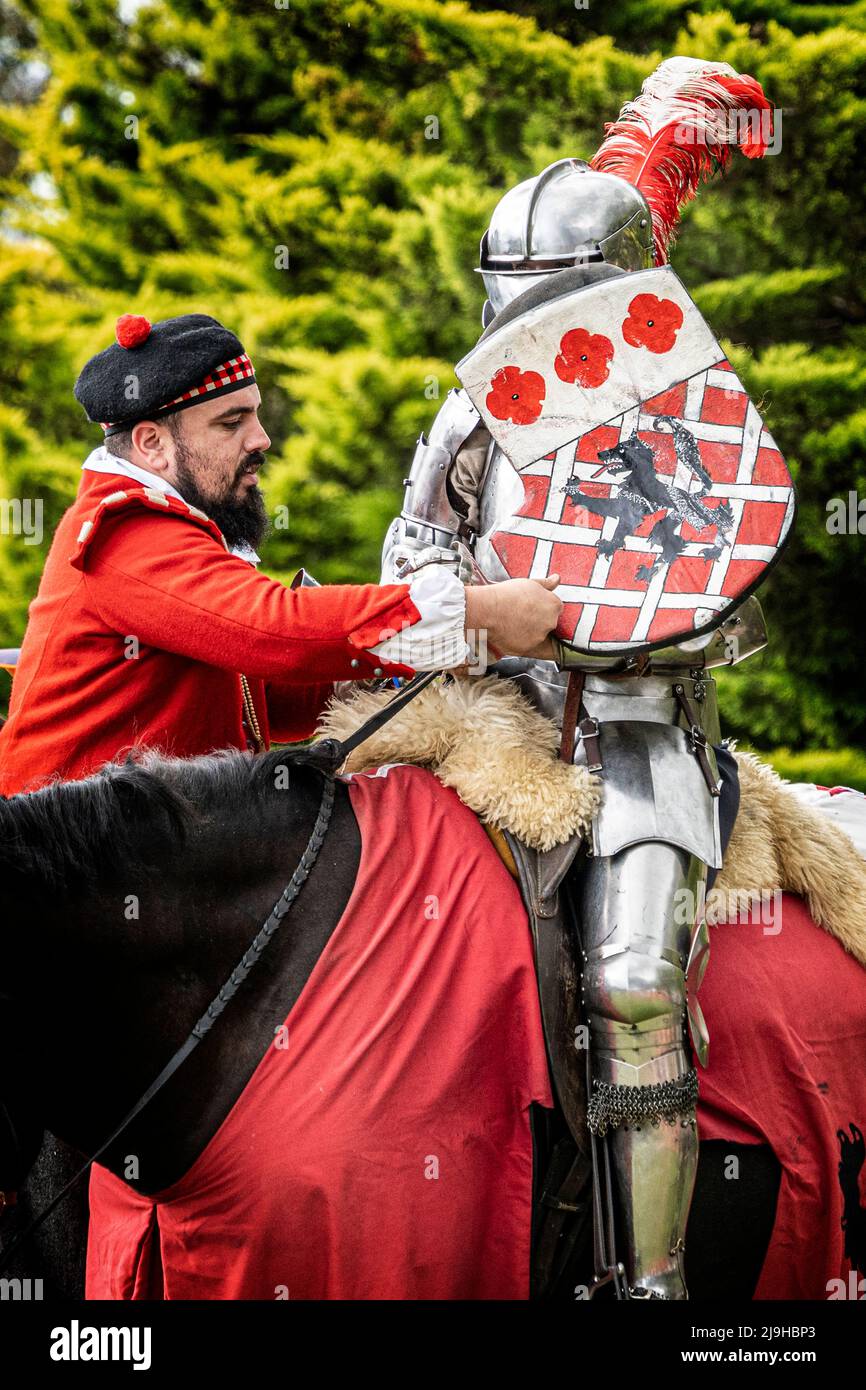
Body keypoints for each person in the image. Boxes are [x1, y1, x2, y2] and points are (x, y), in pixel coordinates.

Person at [0, 311, 561, 796]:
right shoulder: (127, 530)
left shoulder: (164, 523)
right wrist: (477, 614)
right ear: (152, 444)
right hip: (67, 876)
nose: (261, 439)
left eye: (255, 414)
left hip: (145, 853)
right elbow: (273, 632)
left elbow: (258, 697)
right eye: (232, 421)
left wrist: (410, 660)